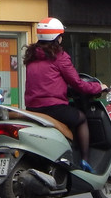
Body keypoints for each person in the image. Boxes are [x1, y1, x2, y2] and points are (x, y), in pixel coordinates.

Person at [23, 17, 103, 172]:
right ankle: (85, 161)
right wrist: (98, 87)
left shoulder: (31, 56)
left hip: (32, 108)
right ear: (56, 38)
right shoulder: (59, 57)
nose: (62, 39)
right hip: (54, 108)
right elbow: (78, 83)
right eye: (61, 36)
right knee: (81, 119)